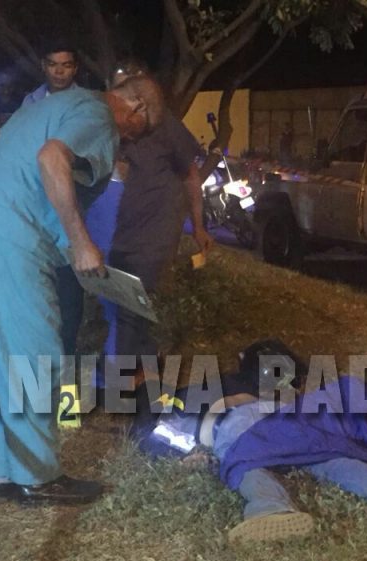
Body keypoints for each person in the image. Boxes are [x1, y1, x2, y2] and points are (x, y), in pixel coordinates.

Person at [0, 77, 151, 505]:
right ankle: (38, 477)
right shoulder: (98, 115)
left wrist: (68, 247)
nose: (125, 144)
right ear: (136, 107)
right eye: (136, 131)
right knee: (35, 353)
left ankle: (3, 473)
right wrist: (81, 243)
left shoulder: (54, 105)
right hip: (11, 238)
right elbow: (51, 159)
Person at [140, 340, 367, 544]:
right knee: (332, 459)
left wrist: (187, 455)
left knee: (245, 467)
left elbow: (164, 435)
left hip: (238, 425)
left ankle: (271, 510)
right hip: (287, 418)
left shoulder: (191, 395)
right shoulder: (252, 377)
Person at [103, 63, 214, 377]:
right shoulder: (115, 128)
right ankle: (149, 366)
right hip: (123, 231)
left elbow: (191, 175)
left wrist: (198, 225)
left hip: (156, 233)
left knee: (131, 307)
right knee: (130, 304)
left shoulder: (168, 127)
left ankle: (124, 385)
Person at [21, 40, 80, 106]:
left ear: (75, 68)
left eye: (67, 66)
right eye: (52, 64)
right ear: (43, 65)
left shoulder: (86, 101)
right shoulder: (30, 101)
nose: (59, 71)